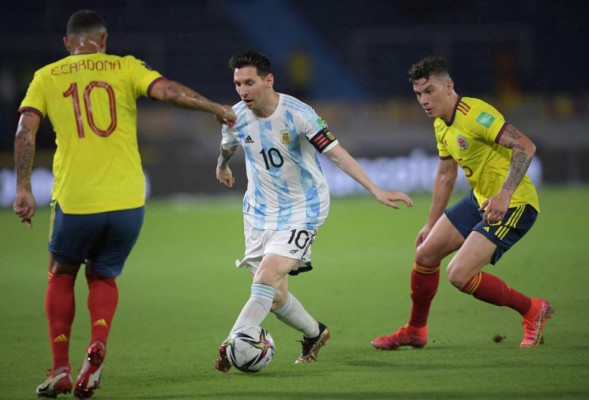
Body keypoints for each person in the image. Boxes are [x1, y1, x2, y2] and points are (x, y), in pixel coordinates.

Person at [13, 10, 236, 399]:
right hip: (129, 200)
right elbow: (168, 91)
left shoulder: (47, 76)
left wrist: (22, 187)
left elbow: (24, 131)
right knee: (104, 276)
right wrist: (215, 107)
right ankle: (97, 345)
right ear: (103, 40)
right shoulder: (125, 66)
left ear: (68, 44)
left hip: (77, 199)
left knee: (61, 274)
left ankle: (61, 368)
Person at [212, 50, 413, 373]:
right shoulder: (236, 116)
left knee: (265, 277)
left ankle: (236, 338)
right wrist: (222, 164)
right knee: (274, 296)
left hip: (302, 208)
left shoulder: (298, 114)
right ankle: (315, 333)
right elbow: (229, 142)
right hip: (259, 212)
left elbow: (336, 153)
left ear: (268, 80)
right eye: (237, 83)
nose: (242, 90)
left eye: (249, 82)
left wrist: (375, 188)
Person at [371, 56, 552, 351]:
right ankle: (415, 331)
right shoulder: (441, 123)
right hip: (480, 199)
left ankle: (533, 310)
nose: (423, 100)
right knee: (426, 253)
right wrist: (431, 223)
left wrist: (504, 195)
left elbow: (526, 147)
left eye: (429, 91)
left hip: (514, 203)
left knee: (458, 274)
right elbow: (445, 174)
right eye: (418, 94)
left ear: (449, 86)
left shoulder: (476, 114)